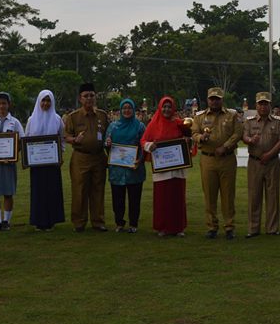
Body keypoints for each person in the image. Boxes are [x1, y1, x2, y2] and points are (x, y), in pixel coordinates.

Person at [191, 87, 243, 239]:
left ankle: (229, 227)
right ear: (208, 100)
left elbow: (238, 133)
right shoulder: (199, 117)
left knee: (228, 195)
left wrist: (225, 146)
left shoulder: (232, 115)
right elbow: (193, 133)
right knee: (209, 194)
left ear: (222, 100)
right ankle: (212, 227)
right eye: (212, 99)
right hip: (208, 159)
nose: (214, 101)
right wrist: (201, 138)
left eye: (217, 99)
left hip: (227, 159)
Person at [141, 96, 191, 237]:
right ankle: (162, 227)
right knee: (162, 198)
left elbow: (189, 137)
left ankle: (178, 227)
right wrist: (150, 146)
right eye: (164, 107)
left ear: (173, 108)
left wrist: (188, 140)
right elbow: (143, 140)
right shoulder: (154, 124)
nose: (167, 109)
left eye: (169, 107)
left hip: (177, 168)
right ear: (160, 108)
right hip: (161, 169)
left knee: (177, 197)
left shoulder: (179, 123)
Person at [64, 82, 110, 232]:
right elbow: (66, 136)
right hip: (81, 158)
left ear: (95, 97)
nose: (89, 98)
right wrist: (74, 139)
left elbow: (108, 134)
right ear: (80, 98)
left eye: (92, 95)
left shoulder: (102, 115)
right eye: (86, 96)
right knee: (80, 190)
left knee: (98, 190)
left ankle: (98, 221)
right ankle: (79, 222)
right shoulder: (73, 117)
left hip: (98, 157)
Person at [241, 92, 280, 237]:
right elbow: (244, 136)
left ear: (270, 105)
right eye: (260, 103)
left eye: (266, 103)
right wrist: (250, 140)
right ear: (256, 105)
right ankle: (253, 228)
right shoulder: (249, 121)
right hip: (255, 162)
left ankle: (272, 228)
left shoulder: (277, 122)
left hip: (272, 162)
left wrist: (270, 154)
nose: (263, 106)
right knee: (254, 195)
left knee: (273, 195)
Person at [26, 89, 65, 231]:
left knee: (52, 191)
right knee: (38, 192)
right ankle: (38, 221)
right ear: (39, 101)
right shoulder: (31, 120)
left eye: (48, 100)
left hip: (52, 163)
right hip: (36, 163)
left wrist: (60, 155)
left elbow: (61, 139)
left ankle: (51, 220)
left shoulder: (57, 119)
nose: (46, 103)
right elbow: (27, 139)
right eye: (43, 100)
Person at [105, 98, 147, 233]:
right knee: (118, 199)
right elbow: (106, 145)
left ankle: (133, 224)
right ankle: (119, 223)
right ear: (120, 110)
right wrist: (108, 143)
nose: (127, 110)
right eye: (124, 108)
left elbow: (144, 146)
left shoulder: (140, 126)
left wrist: (140, 160)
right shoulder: (113, 126)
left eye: (129, 108)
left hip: (134, 168)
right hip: (117, 169)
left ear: (133, 110)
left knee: (134, 199)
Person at [0, 92, 24, 231]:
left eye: (4, 103)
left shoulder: (15, 122)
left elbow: (21, 141)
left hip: (8, 163)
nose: (1, 106)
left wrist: (12, 155)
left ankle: (6, 220)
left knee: (8, 192)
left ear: (9, 105)